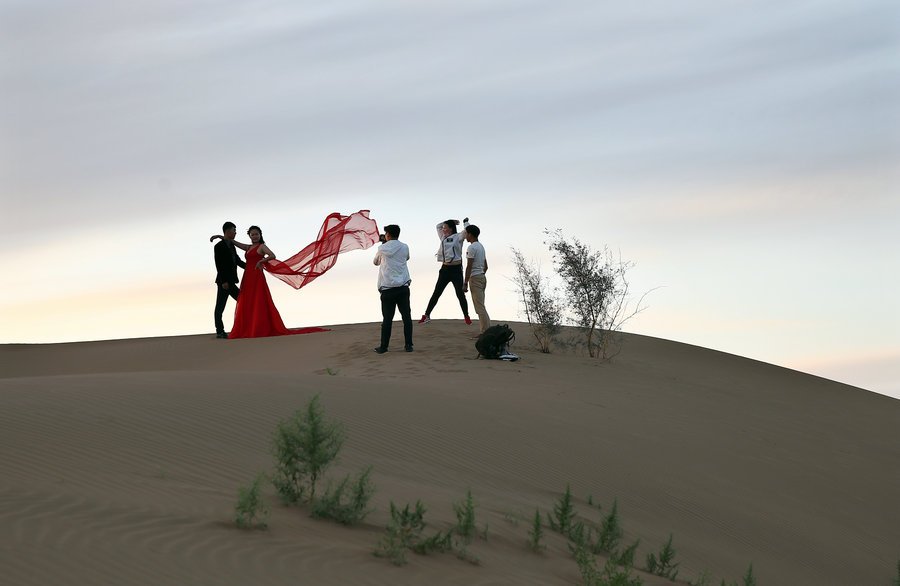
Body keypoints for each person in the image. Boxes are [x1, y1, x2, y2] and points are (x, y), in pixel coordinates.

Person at [212, 226, 326, 339]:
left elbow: (272, 255)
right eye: (253, 234)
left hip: (257, 276)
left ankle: (258, 328)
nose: (255, 236)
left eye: (257, 234)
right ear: (250, 236)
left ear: (260, 235)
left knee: (257, 301)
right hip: (247, 277)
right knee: (247, 301)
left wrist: (261, 261)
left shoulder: (262, 246)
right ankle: (244, 328)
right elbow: (232, 242)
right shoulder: (248, 247)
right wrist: (220, 237)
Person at [418, 217, 471, 325]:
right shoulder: (443, 237)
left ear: (451, 228)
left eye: (445, 228)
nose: (443, 229)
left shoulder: (458, 237)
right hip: (445, 270)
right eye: (443, 228)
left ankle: (466, 316)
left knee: (460, 294)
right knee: (437, 292)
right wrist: (450, 220)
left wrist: (465, 222)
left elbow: (467, 230)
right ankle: (426, 315)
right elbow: (438, 226)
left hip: (456, 270)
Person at [373, 224, 413, 354]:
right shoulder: (405, 247)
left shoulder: (382, 248)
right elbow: (406, 258)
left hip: (387, 288)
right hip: (402, 286)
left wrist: (384, 244)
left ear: (388, 235)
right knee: (406, 317)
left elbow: (375, 262)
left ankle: (384, 347)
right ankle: (408, 345)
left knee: (387, 319)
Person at [213, 221, 246, 339]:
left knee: (243, 301)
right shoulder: (218, 246)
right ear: (227, 231)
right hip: (224, 282)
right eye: (234, 230)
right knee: (220, 307)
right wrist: (224, 282)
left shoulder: (231, 245)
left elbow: (237, 261)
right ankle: (219, 331)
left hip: (231, 281)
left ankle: (245, 326)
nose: (235, 232)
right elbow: (219, 265)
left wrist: (251, 267)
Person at [462, 224, 491, 334]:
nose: (465, 236)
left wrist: (465, 283)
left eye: (466, 234)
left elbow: (469, 266)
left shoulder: (472, 247)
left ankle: (485, 332)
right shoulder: (481, 246)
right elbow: (486, 266)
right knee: (481, 306)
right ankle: (486, 330)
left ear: (470, 234)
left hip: (475, 278)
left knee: (480, 307)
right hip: (482, 277)